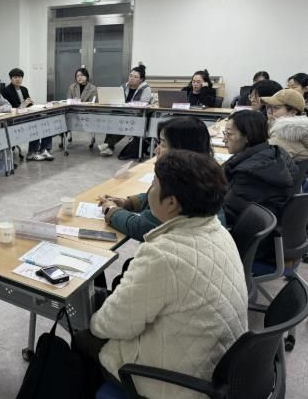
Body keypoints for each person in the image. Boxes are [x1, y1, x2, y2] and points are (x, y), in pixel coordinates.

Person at [74, 150, 247, 398]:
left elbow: (109, 325)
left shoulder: (164, 254)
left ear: (171, 203)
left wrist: (93, 318)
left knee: (83, 336)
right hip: (216, 366)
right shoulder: (219, 231)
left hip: (179, 384)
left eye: (154, 183)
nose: (150, 190)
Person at [98, 116, 225, 241]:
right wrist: (129, 202)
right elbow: (159, 195)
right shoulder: (202, 173)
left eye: (163, 144)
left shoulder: (183, 182)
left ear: (182, 148)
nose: (156, 150)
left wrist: (111, 210)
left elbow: (142, 227)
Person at [222, 110, 299, 228]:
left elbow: (229, 212)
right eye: (224, 133)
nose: (224, 139)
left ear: (247, 137)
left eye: (229, 134)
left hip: (247, 229)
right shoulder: (277, 152)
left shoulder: (249, 173)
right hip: (274, 222)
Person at [98, 64, 151, 157]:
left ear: (141, 79)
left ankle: (108, 145)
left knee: (122, 121)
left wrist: (128, 106)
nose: (131, 78)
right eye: (130, 76)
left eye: (135, 77)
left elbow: (143, 104)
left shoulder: (146, 89)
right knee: (114, 116)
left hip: (137, 115)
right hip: (123, 113)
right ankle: (109, 146)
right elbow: (117, 99)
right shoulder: (123, 86)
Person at [1, 68, 53, 161]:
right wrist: (23, 105)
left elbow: (29, 105)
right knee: (35, 122)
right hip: (14, 118)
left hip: (27, 115)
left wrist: (30, 103)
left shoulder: (24, 89)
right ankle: (32, 152)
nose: (18, 79)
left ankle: (44, 149)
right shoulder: (5, 91)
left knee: (47, 118)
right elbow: (10, 108)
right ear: (11, 78)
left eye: (20, 77)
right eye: (15, 77)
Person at [262, 89, 308, 161]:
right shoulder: (275, 131)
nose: (269, 112)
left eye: (276, 108)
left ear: (293, 112)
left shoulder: (284, 138)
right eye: (269, 107)